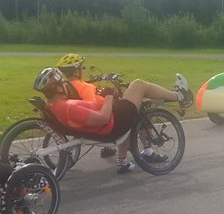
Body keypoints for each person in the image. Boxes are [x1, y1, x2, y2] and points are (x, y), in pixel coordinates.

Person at [34, 67, 192, 173]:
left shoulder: (53, 106)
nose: (65, 85)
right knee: (139, 85)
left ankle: (122, 161)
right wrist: (109, 96)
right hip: (114, 123)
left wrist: (105, 98)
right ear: (57, 88)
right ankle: (179, 96)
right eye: (62, 84)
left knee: (134, 99)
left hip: (112, 121)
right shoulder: (68, 107)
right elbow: (103, 118)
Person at [57, 53, 117, 158]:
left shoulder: (64, 86)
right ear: (76, 71)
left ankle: (108, 148)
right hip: (100, 119)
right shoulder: (86, 87)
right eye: (81, 68)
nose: (82, 70)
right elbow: (92, 107)